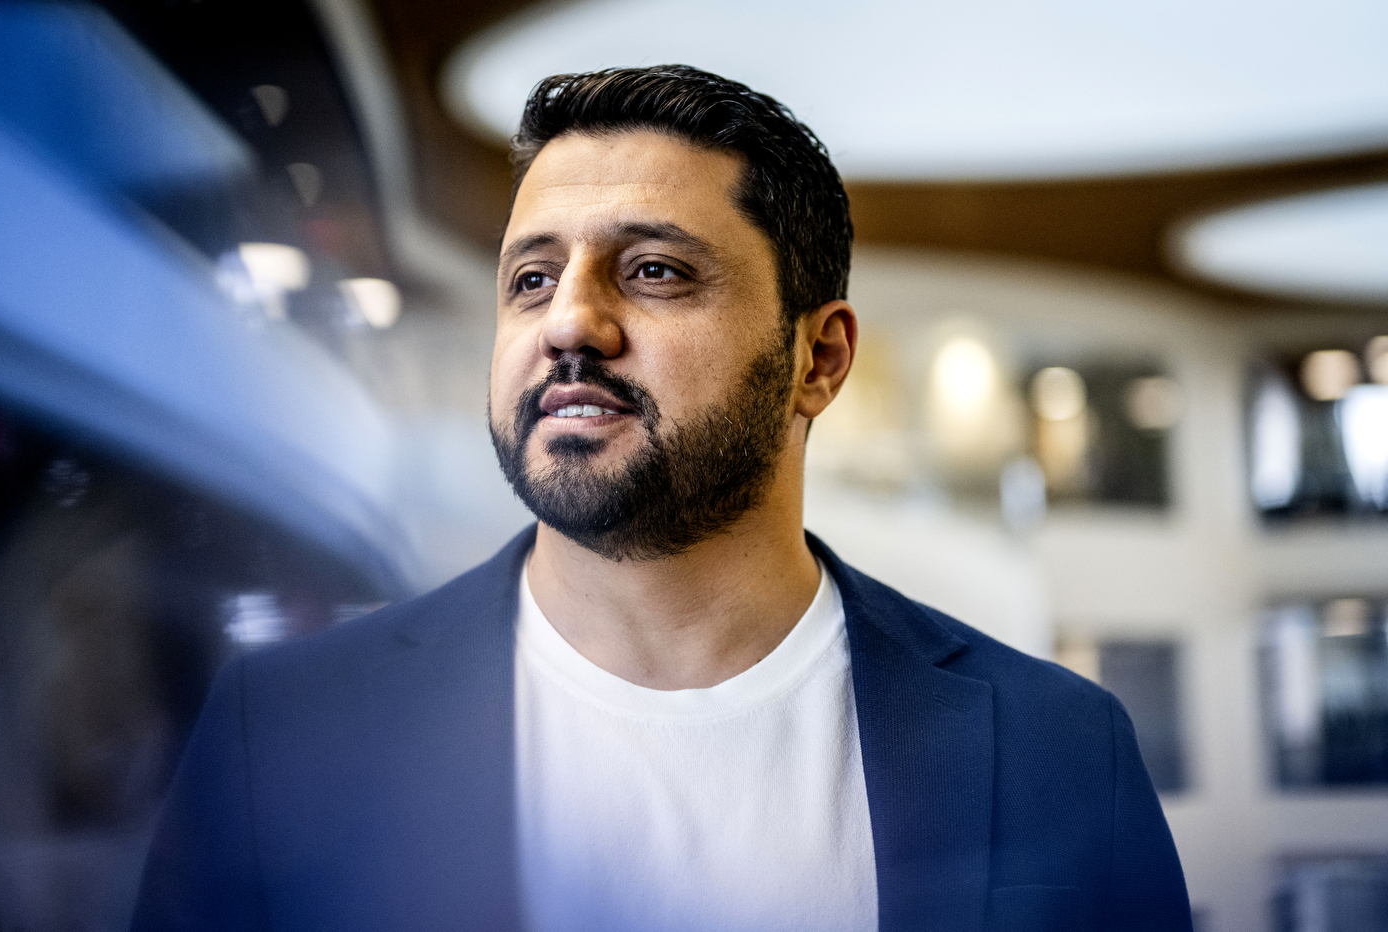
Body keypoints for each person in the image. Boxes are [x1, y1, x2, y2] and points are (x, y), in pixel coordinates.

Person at [131, 66, 1192, 932]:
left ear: (815, 359)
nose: (569, 324)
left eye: (652, 272)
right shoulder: (276, 739)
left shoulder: (1058, 748)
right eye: (531, 278)